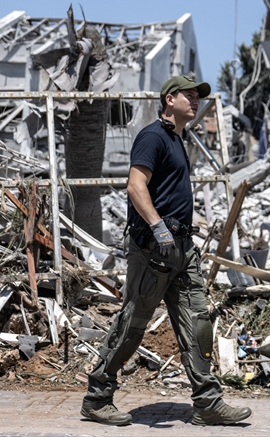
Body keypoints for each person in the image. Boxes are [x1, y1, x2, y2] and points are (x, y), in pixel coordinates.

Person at [82, 74, 252, 427]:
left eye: (197, 96)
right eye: (188, 96)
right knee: (133, 324)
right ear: (169, 99)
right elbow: (135, 185)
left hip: (182, 249)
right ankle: (97, 396)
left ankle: (207, 401)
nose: (195, 101)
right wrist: (159, 229)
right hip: (154, 249)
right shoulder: (152, 137)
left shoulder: (178, 138)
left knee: (198, 322)